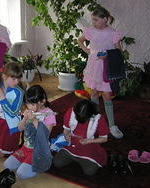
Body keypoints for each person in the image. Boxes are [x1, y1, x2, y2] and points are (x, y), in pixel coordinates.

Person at [0, 85, 56, 187]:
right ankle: (27, 162)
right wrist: (24, 119)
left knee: (21, 174)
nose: (30, 107)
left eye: (33, 104)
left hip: (40, 151)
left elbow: (45, 136)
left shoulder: (49, 114)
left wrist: (34, 120)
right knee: (7, 166)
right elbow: (19, 128)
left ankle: (42, 165)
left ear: (43, 101)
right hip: (26, 148)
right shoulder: (30, 111)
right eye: (28, 104)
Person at [77, 7, 124, 139]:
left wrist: (107, 56)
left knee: (107, 95)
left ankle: (112, 125)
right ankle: (94, 120)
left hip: (106, 68)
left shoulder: (112, 33)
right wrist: (88, 51)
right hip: (93, 67)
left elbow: (119, 52)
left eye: (96, 20)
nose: (93, 22)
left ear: (105, 19)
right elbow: (79, 40)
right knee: (93, 93)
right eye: (93, 19)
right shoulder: (91, 31)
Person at [53, 99, 110, 176]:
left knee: (89, 171)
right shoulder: (70, 112)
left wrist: (88, 141)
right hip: (72, 145)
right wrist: (66, 136)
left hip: (89, 146)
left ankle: (78, 158)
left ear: (91, 115)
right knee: (57, 163)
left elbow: (104, 138)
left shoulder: (98, 119)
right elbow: (66, 130)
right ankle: (77, 158)